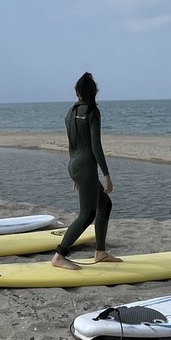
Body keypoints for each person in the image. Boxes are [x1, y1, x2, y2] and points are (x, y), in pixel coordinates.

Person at [51, 72, 121, 270]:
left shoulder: (69, 112)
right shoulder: (92, 111)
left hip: (74, 164)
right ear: (94, 92)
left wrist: (76, 174)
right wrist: (106, 175)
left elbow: (73, 144)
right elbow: (95, 146)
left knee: (104, 204)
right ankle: (60, 255)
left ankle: (100, 252)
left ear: (77, 92)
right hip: (86, 166)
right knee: (87, 214)